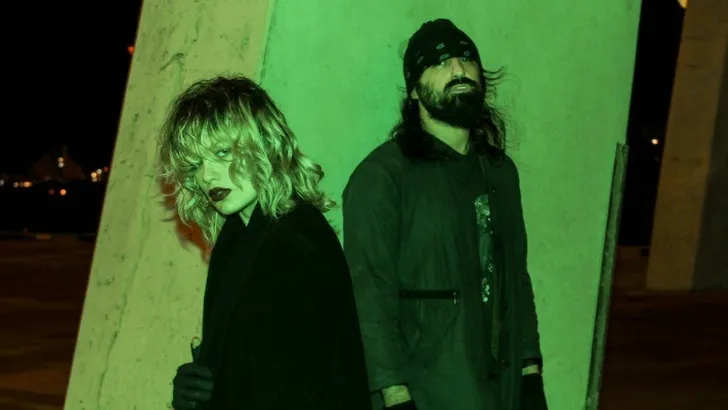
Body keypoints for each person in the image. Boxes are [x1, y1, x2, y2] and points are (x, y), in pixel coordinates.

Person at [342, 19, 548, 410]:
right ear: (414, 90)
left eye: (467, 59)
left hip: (500, 391)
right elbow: (368, 297)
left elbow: (516, 280)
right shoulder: (383, 176)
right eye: (439, 62)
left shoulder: (500, 172)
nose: (458, 69)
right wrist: (395, 394)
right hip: (426, 393)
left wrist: (530, 373)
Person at [158, 75, 371, 410]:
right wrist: (199, 384)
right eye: (196, 164)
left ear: (264, 145)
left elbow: (296, 388)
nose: (207, 176)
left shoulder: (295, 243)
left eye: (222, 152)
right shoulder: (238, 237)